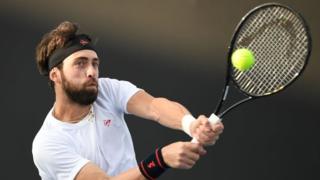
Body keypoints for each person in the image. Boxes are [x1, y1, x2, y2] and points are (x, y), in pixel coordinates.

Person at [32, 21, 224, 180]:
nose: (91, 72)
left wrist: (190, 125)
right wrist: (160, 159)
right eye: (80, 63)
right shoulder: (48, 144)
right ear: (55, 75)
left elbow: (153, 106)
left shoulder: (106, 89)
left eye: (94, 63)